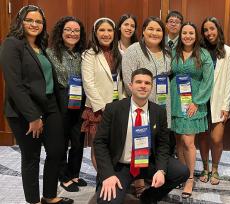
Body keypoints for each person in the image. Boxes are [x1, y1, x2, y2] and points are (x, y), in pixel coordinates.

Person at [0, 5, 73, 204]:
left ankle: (49, 196)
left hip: (50, 106)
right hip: (25, 111)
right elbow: (14, 85)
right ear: (20, 22)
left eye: (38, 21)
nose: (34, 24)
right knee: (31, 157)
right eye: (29, 20)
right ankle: (32, 201)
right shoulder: (11, 44)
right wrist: (32, 116)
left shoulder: (41, 46)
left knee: (57, 151)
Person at [94, 68, 189, 204]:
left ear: (151, 87)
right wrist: (108, 175)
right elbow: (99, 143)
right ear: (130, 85)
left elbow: (163, 144)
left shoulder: (159, 112)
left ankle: (149, 197)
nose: (143, 86)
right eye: (138, 82)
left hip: (148, 162)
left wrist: (161, 170)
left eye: (147, 83)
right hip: (121, 166)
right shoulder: (113, 109)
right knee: (107, 202)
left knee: (182, 171)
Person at [122, 16, 172, 198]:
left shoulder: (167, 52)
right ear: (142, 31)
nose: (154, 33)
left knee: (159, 142)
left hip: (164, 105)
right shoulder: (134, 51)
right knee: (140, 141)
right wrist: (143, 101)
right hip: (141, 106)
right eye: (150, 29)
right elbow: (129, 80)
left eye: (158, 30)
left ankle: (156, 176)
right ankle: (138, 183)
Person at [171, 22, 214, 198]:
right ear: (180, 35)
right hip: (175, 101)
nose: (187, 36)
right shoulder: (174, 52)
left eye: (191, 33)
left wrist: (197, 101)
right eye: (184, 33)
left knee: (189, 142)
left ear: (196, 36)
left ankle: (189, 178)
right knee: (179, 141)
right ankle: (181, 174)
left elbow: (208, 80)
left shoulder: (203, 54)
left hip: (192, 102)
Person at [46, 16, 87, 192]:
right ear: (61, 32)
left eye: (76, 30)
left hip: (80, 99)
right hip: (61, 98)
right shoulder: (50, 52)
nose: (72, 33)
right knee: (62, 139)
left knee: (78, 139)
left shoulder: (83, 54)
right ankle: (63, 176)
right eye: (68, 30)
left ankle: (74, 173)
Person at [81, 17, 123, 170]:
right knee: (99, 147)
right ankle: (102, 180)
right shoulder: (89, 55)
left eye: (109, 30)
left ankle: (114, 178)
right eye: (102, 30)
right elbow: (88, 84)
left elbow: (122, 82)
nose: (106, 34)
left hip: (118, 108)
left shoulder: (119, 54)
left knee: (115, 146)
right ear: (95, 33)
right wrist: (103, 107)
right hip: (98, 109)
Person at [198, 17, 230, 185]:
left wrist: (226, 106)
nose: (209, 33)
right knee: (203, 137)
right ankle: (205, 168)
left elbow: (229, 81)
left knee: (217, 139)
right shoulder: (199, 50)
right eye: (205, 30)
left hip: (219, 101)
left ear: (218, 29)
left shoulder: (228, 51)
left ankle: (215, 169)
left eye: (212, 28)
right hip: (201, 101)